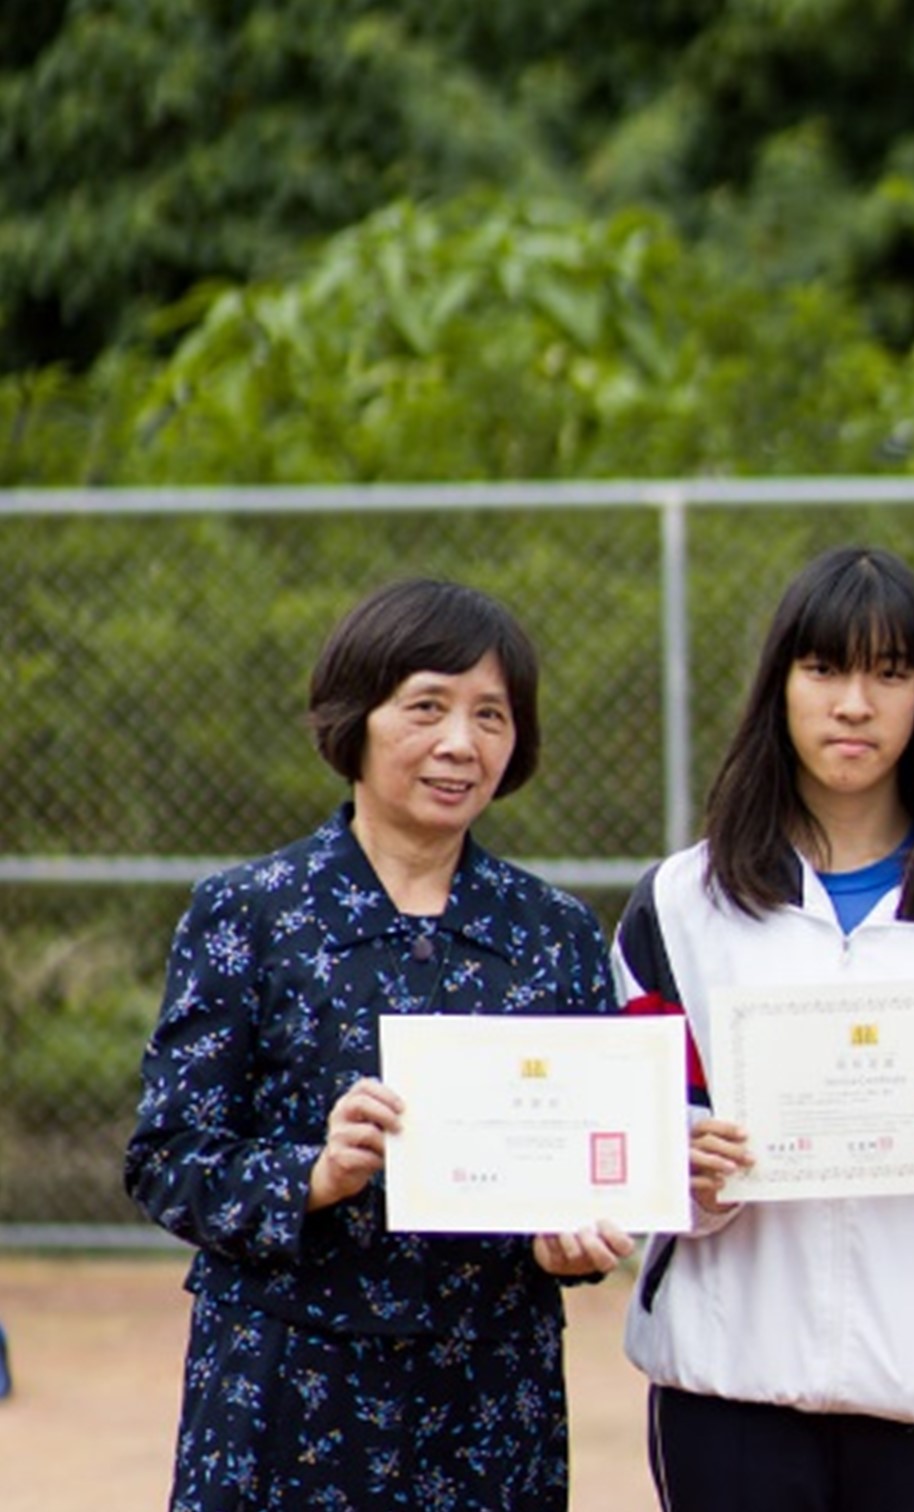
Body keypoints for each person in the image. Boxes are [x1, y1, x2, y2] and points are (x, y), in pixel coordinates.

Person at [124, 578, 630, 1512]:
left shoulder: (554, 933)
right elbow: (168, 1158)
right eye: (427, 707)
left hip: (490, 1401)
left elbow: (589, 1172)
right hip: (287, 1390)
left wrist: (582, 1243)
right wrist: (314, 1175)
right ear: (356, 719)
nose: (460, 744)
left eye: (491, 715)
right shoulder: (252, 913)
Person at [612, 545, 914, 1512]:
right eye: (825, 669)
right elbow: (637, 1159)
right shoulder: (678, 904)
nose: (854, 704)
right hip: (730, 1390)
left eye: (890, 672)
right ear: (779, 687)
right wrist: (689, 1180)